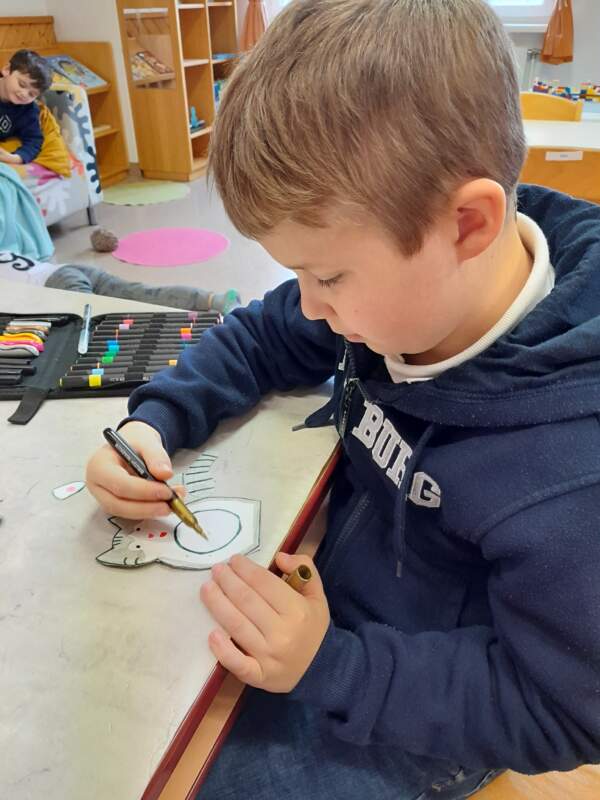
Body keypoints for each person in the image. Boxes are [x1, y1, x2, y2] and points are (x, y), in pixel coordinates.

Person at [85, 1, 600, 798]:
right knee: (115, 708)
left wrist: (334, 666)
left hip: (417, 711)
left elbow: (558, 708)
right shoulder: (402, 287)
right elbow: (264, 333)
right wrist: (155, 421)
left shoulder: (571, 468)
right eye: (297, 274)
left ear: (468, 225)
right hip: (323, 609)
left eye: (326, 276)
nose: (310, 305)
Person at [0, 251, 241, 315]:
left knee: (88, 321)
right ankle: (216, 300)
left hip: (56, 283)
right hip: (65, 269)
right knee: (140, 293)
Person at [0, 49, 52, 165]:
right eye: (22, 84)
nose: (24, 94)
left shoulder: (29, 111)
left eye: (32, 94)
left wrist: (15, 158)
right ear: (7, 70)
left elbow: (34, 140)